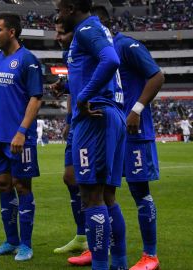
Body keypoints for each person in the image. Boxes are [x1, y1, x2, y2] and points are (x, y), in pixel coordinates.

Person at [69, 7, 165, 270]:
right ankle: (105, 252)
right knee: (105, 195)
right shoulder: (99, 46)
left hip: (133, 128)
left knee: (138, 192)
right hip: (110, 125)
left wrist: (136, 109)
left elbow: (157, 75)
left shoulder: (127, 45)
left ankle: (150, 255)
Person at [56, 1, 127, 269]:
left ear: (72, 8)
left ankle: (100, 265)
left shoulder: (86, 29)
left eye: (59, 10)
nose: (58, 15)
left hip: (94, 116)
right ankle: (118, 264)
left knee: (91, 198)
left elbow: (111, 60)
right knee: (108, 197)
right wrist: (66, 87)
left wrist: (84, 96)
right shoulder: (97, 29)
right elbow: (94, 67)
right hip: (110, 114)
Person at [0, 12, 43, 261]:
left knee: (22, 186)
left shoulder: (28, 60)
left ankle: (26, 244)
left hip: (19, 138)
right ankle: (11, 240)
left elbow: (36, 98)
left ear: (12, 32)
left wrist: (21, 131)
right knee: (3, 184)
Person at [49, 16, 87, 255]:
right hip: (76, 123)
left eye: (61, 33)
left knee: (94, 186)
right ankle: (82, 236)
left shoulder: (89, 50)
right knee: (70, 178)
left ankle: (99, 240)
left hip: (92, 122)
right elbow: (75, 85)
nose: (57, 37)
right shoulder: (68, 56)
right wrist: (68, 117)